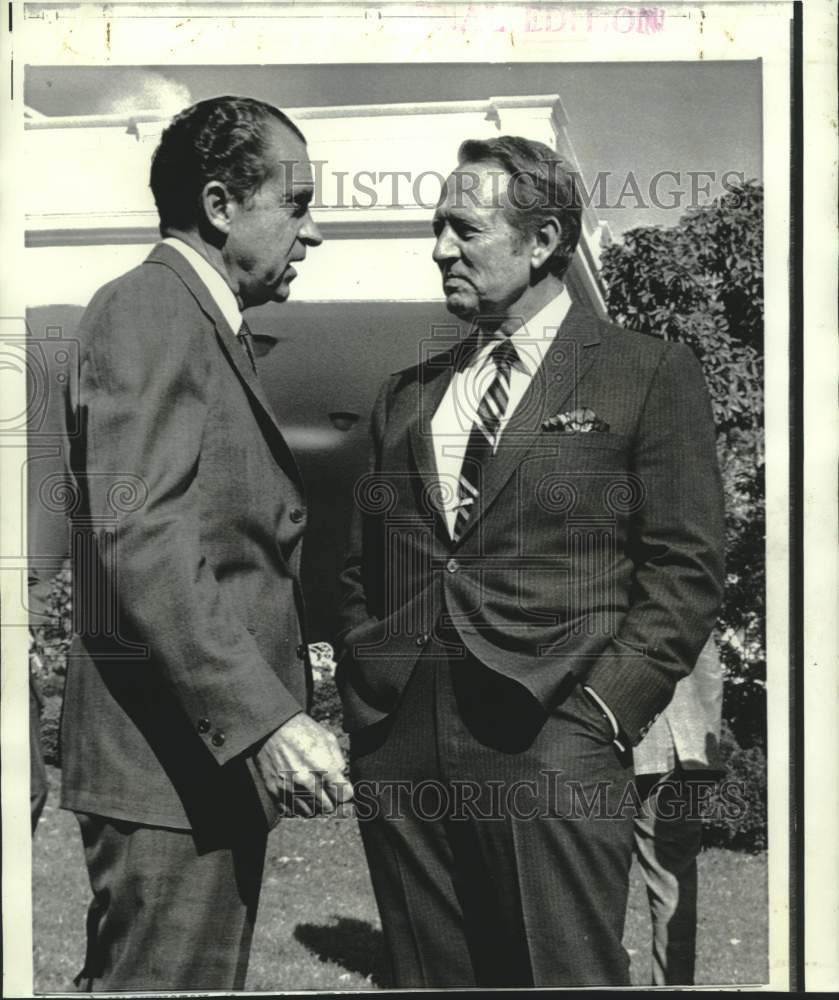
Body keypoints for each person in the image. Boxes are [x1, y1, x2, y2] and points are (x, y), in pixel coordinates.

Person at [336, 135, 725, 987]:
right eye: (436, 227)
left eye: (464, 229)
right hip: (401, 747)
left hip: (554, 740)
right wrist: (368, 700)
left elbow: (685, 569)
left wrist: (601, 714)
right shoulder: (406, 395)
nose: (440, 248)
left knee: (560, 976)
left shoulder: (644, 372)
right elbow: (362, 561)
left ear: (542, 240)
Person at [58, 96, 351, 992]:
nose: (311, 236)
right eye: (295, 207)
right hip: (167, 776)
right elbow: (140, 529)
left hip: (194, 770)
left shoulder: (204, 322)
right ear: (220, 204)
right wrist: (263, 719)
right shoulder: (148, 308)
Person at [633, 633, 725, 986]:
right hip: (680, 746)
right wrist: (703, 757)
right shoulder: (685, 582)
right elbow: (708, 669)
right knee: (673, 890)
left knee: (593, 891)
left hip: (613, 745)